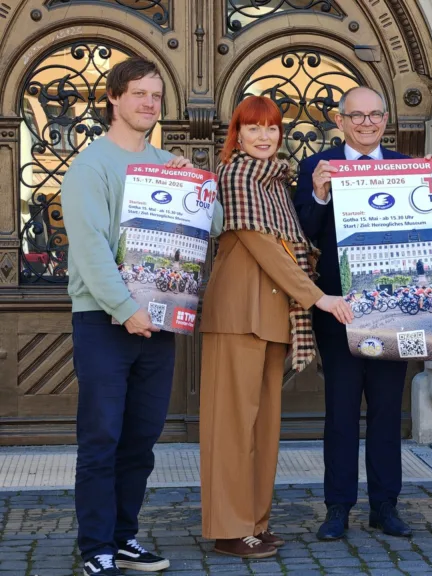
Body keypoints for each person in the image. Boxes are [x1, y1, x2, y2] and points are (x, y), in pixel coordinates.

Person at [62, 57, 223, 576]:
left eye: (155, 95)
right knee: (102, 438)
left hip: (158, 322)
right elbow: (88, 250)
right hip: (105, 322)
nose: (149, 104)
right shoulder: (92, 168)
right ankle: (95, 548)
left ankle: (124, 537)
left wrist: (192, 183)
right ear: (113, 98)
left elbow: (211, 225)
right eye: (138, 94)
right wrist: (126, 310)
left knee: (140, 439)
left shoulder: (162, 162)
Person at [198, 95, 352, 558]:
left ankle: (254, 522)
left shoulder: (277, 182)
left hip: (272, 319)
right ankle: (228, 529)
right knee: (231, 429)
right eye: (253, 128)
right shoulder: (237, 174)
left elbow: (295, 242)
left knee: (263, 430)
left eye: (271, 128)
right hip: (237, 317)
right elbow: (265, 247)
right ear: (237, 134)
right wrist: (318, 297)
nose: (264, 137)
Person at [294, 86, 413, 540]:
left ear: (386, 119)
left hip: (394, 312)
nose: (367, 123)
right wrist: (320, 195)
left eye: (375, 115)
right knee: (340, 411)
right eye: (356, 115)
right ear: (339, 121)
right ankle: (338, 507)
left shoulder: (406, 168)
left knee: (387, 410)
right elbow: (302, 235)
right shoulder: (315, 167)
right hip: (338, 309)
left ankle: (385, 505)